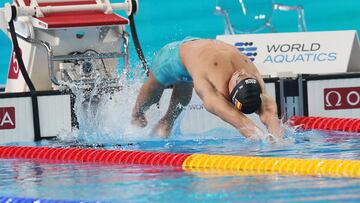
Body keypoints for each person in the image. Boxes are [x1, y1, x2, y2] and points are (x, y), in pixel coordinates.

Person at [131, 37, 283, 139]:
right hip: (172, 56)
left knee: (172, 115)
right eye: (244, 76)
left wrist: (276, 142)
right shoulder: (251, 72)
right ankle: (135, 115)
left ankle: (164, 125)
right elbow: (245, 123)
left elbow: (255, 122)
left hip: (196, 59)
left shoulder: (213, 89)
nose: (241, 71)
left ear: (230, 94)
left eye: (238, 77)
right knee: (153, 94)